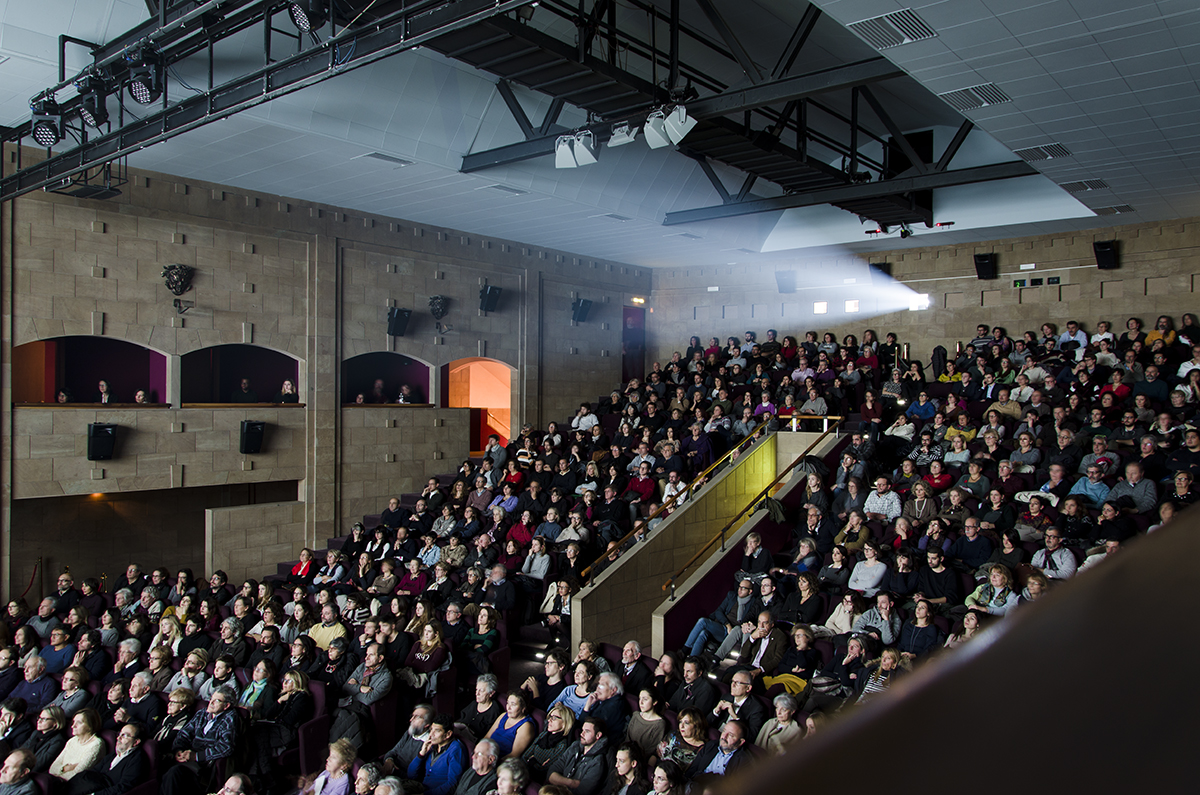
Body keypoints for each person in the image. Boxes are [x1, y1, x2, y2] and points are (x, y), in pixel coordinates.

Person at [161, 684, 238, 795]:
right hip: (187, 756)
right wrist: (179, 749)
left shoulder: (229, 717)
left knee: (174, 774)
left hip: (203, 764)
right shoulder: (202, 713)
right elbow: (184, 733)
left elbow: (226, 747)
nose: (211, 703)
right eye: (211, 698)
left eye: (216, 701)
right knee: (163, 767)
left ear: (226, 706)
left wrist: (196, 756)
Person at [63, 721, 145, 795]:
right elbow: (94, 771)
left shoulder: (137, 760)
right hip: (93, 787)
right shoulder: (114, 754)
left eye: (124, 735)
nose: (118, 738)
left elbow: (123, 787)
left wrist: (94, 794)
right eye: (119, 734)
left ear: (135, 742)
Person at [407, 713, 468, 795]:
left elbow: (453, 784)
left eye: (437, 731)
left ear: (448, 734)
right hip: (421, 788)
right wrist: (421, 754)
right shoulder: (432, 746)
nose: (431, 734)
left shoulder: (456, 749)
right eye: (431, 729)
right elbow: (411, 775)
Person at [547, 717, 610, 795]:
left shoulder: (597, 762)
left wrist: (558, 780)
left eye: (587, 731)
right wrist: (571, 783)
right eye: (582, 730)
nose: (581, 734)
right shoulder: (575, 746)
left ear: (598, 735)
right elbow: (551, 772)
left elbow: (582, 792)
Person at [684, 719, 752, 780]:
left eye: (730, 735)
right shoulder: (711, 746)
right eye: (724, 731)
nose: (724, 737)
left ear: (740, 742)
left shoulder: (744, 761)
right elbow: (692, 770)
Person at [48, 708, 103, 781]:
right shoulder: (72, 740)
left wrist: (59, 772)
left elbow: (76, 776)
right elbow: (52, 769)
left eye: (79, 722)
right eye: (73, 722)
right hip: (56, 781)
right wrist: (65, 768)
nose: (73, 726)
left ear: (90, 726)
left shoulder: (96, 744)